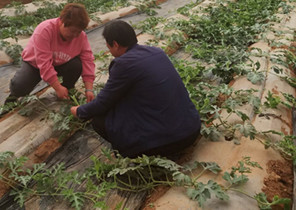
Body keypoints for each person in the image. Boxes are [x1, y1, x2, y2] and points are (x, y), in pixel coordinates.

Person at [70, 20, 201, 158]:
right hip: (191, 129)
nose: (109, 50)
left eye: (108, 46)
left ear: (115, 44)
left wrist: (80, 111)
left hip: (169, 142)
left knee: (99, 119)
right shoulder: (157, 52)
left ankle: (134, 151)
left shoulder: (124, 64)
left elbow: (103, 103)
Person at [7, 3, 95, 103]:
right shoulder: (45, 30)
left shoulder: (81, 37)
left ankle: (68, 90)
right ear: (62, 22)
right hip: (35, 65)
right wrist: (57, 87)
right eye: (72, 31)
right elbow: (43, 63)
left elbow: (88, 60)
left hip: (60, 64)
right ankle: (12, 98)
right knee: (20, 87)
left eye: (78, 32)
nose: (75, 35)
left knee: (76, 65)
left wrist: (89, 89)